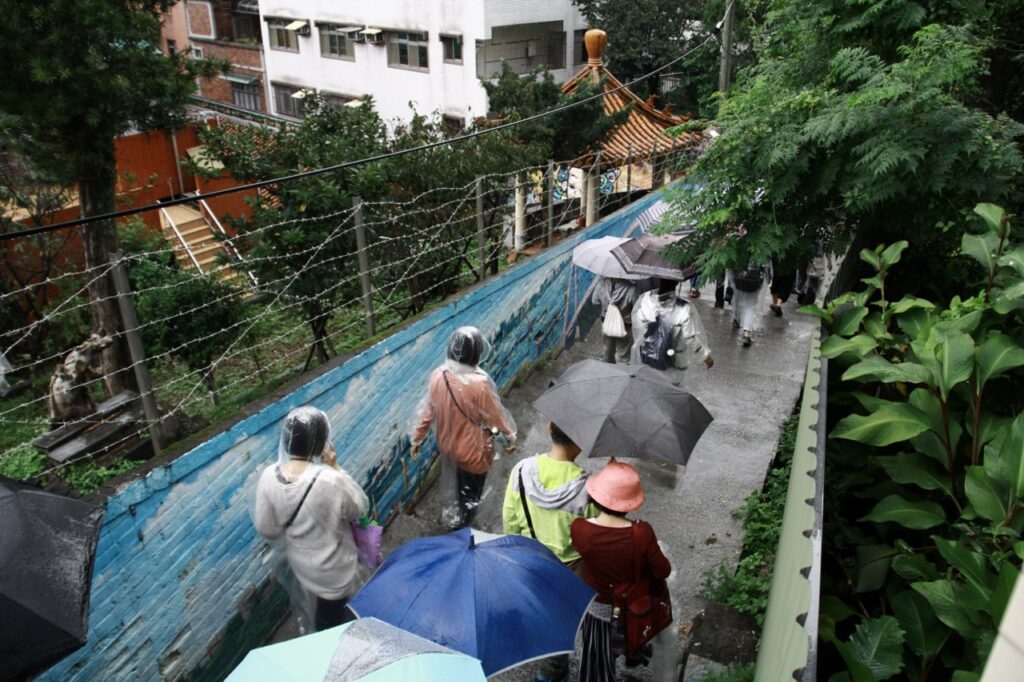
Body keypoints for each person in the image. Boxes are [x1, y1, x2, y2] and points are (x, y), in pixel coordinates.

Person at [253, 406, 369, 631]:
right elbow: (359, 509)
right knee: (332, 619)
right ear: (321, 442)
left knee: (320, 610)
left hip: (303, 568)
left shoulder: (269, 476)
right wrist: (336, 468)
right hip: (335, 574)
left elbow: (266, 528)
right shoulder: (330, 480)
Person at [503, 422, 596, 682]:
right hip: (571, 567)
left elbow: (509, 520)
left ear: (548, 429)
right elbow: (595, 536)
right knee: (562, 617)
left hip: (532, 558)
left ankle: (536, 648)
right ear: (581, 441)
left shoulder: (521, 470)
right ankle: (552, 670)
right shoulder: (587, 488)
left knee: (538, 607)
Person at [571, 461, 672, 682]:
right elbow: (663, 570)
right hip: (633, 607)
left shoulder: (580, 530)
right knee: (632, 637)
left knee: (599, 660)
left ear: (596, 497)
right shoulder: (642, 533)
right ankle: (633, 655)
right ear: (631, 503)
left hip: (599, 610)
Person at [411, 326, 517, 529]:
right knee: (472, 493)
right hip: (473, 452)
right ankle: (465, 526)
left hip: (448, 446)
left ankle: (458, 516)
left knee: (459, 484)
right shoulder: (480, 383)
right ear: (477, 353)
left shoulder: (438, 376)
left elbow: (427, 411)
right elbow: (494, 418)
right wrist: (509, 436)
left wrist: (416, 439)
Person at [630, 278, 713, 386]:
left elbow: (638, 326)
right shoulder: (683, 307)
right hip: (672, 366)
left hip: (647, 360)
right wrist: (705, 356)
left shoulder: (645, 300)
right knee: (669, 397)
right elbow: (690, 339)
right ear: (677, 282)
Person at [592, 276, 637, 364]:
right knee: (624, 355)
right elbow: (637, 306)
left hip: (606, 322)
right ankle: (623, 374)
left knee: (607, 351)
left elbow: (595, 301)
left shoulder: (601, 284)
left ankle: (608, 371)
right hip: (625, 326)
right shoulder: (631, 288)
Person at [730, 262, 770, 347]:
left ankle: (736, 319)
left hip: (739, 275)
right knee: (750, 305)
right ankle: (746, 333)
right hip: (755, 277)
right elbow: (767, 263)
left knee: (737, 296)